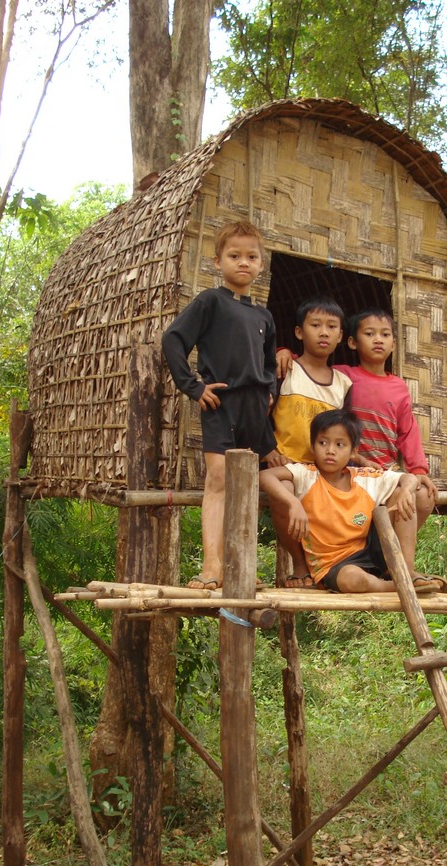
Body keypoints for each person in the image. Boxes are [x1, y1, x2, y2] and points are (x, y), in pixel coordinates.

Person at [162, 220, 277, 590]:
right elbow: (173, 340)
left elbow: (270, 362)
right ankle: (212, 566)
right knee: (217, 480)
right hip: (221, 402)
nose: (243, 263)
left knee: (247, 486)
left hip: (255, 408)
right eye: (234, 256)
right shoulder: (209, 301)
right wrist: (193, 386)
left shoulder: (264, 316)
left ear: (261, 265)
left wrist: (270, 388)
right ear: (217, 262)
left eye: (251, 257)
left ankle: (240, 566)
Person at [277, 307, 437, 527]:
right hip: (350, 466)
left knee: (424, 497)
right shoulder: (343, 375)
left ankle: (389, 554)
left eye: (385, 334)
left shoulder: (399, 387)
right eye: (369, 334)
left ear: (394, 344)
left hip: (385, 467)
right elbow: (310, 368)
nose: (378, 340)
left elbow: (408, 431)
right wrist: (284, 352)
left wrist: (418, 470)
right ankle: (374, 550)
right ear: (352, 342)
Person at [259, 409, 447, 594]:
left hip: (373, 551)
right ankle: (396, 586)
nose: (330, 451)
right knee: (352, 578)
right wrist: (293, 503)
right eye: (323, 443)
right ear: (312, 446)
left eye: (340, 445)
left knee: (408, 493)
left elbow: (407, 478)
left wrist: (406, 490)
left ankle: (405, 571)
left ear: (353, 452)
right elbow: (265, 476)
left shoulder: (363, 477)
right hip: (334, 565)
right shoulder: (306, 475)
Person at [270, 296, 352, 464]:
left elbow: (344, 432)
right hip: (284, 464)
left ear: (340, 336)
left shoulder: (343, 384)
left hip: (324, 471)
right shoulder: (286, 369)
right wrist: (269, 451)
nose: (324, 332)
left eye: (332, 326)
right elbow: (262, 413)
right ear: (299, 332)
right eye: (315, 325)